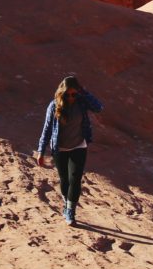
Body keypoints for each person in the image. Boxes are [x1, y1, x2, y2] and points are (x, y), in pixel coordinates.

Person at [34, 74, 103, 225]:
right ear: (63, 92)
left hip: (79, 145)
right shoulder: (54, 106)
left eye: (74, 93)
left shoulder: (81, 102)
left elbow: (98, 107)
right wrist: (41, 151)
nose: (72, 97)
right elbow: (46, 130)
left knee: (75, 179)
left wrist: (84, 93)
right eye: (69, 94)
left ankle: (71, 211)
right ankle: (66, 204)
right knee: (64, 180)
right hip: (60, 148)